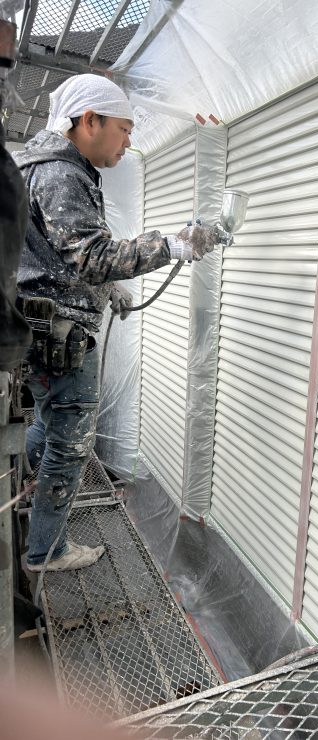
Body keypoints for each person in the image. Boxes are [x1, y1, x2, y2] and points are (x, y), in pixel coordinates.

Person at [14, 73, 219, 573]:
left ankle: (30, 491)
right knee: (70, 442)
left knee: (48, 419)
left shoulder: (39, 165)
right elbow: (89, 255)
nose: (129, 142)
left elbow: (52, 255)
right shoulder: (62, 173)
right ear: (89, 121)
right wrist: (171, 245)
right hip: (59, 335)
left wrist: (105, 291)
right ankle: (46, 551)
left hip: (38, 328)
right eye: (125, 130)